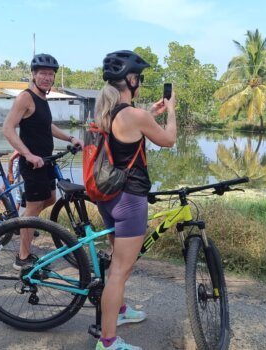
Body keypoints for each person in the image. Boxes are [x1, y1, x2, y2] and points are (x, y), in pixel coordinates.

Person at [94, 50, 177, 350]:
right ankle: (108, 342)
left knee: (118, 263)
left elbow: (127, 132)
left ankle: (120, 311)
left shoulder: (108, 110)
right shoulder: (134, 115)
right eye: (139, 78)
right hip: (129, 199)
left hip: (109, 196)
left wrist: (149, 113)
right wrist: (171, 110)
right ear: (130, 80)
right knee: (120, 270)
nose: (140, 83)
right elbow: (168, 140)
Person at [2, 53, 83, 270]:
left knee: (49, 199)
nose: (47, 77)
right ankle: (22, 257)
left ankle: (25, 222)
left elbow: (46, 126)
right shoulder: (25, 97)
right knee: (34, 207)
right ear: (34, 74)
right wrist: (27, 154)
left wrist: (70, 137)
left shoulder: (43, 98)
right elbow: (7, 128)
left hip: (46, 161)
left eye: (50, 74)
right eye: (42, 74)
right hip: (32, 164)